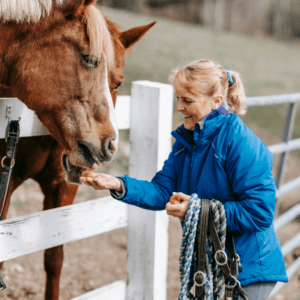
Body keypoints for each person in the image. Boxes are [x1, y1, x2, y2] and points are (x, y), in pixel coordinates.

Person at [80, 59, 288, 299]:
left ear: (216, 102)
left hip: (248, 270)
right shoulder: (186, 143)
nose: (179, 107)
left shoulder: (242, 143)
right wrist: (118, 184)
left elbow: (259, 212)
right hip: (214, 268)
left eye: (187, 100)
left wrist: (198, 211)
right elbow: (162, 191)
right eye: (177, 98)